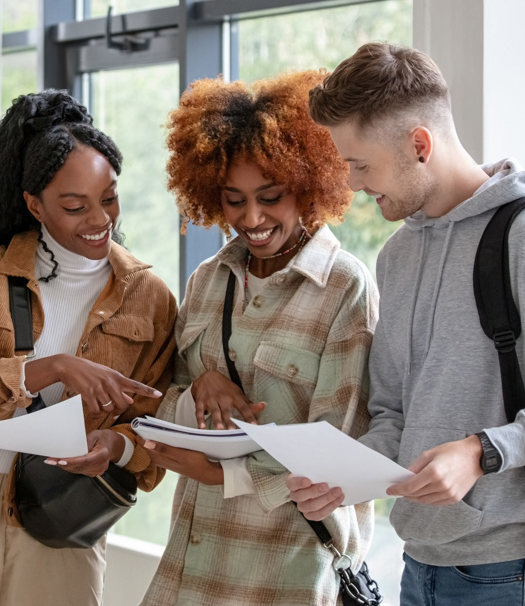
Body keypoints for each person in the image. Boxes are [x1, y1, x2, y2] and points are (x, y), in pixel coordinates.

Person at [290, 43, 525, 605]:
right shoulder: (397, 256)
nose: (354, 184)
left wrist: (484, 450)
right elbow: (395, 414)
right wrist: (346, 476)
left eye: (361, 164)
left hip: (516, 574)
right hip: (418, 566)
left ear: (419, 145)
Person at [0, 90, 176, 606]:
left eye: (108, 197)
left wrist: (116, 447)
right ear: (34, 204)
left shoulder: (149, 299)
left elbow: (156, 424)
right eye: (73, 205)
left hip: (66, 516)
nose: (98, 219)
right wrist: (48, 369)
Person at [139, 72, 378, 606]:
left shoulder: (345, 287)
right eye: (233, 200)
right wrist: (200, 383)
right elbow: (165, 399)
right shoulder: (207, 280)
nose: (251, 218)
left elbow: (339, 447)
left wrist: (222, 474)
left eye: (270, 197)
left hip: (287, 570)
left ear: (309, 183)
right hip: (193, 564)